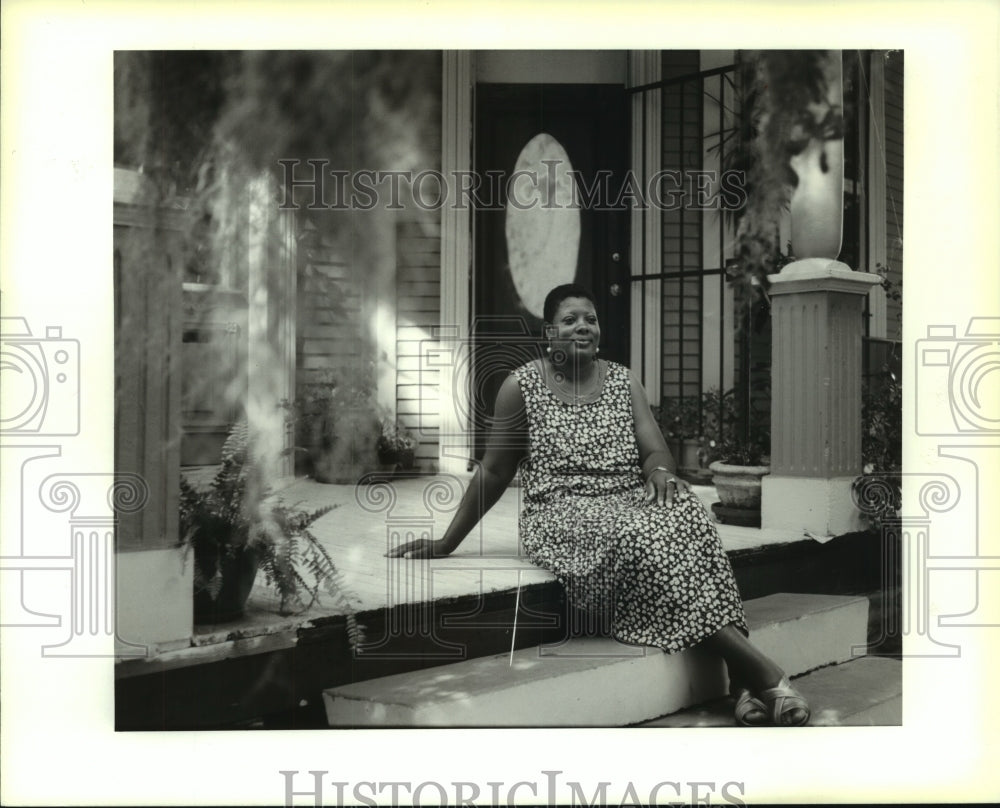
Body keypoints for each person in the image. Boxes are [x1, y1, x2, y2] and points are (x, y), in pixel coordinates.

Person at [387, 283, 810, 726]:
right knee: (645, 534)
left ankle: (742, 680)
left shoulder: (623, 381)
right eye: (569, 320)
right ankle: (762, 673)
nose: (582, 327)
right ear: (549, 333)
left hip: (627, 498)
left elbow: (655, 453)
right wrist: (448, 541)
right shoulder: (521, 386)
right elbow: (494, 472)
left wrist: (661, 474)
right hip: (561, 512)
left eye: (589, 318)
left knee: (689, 514)